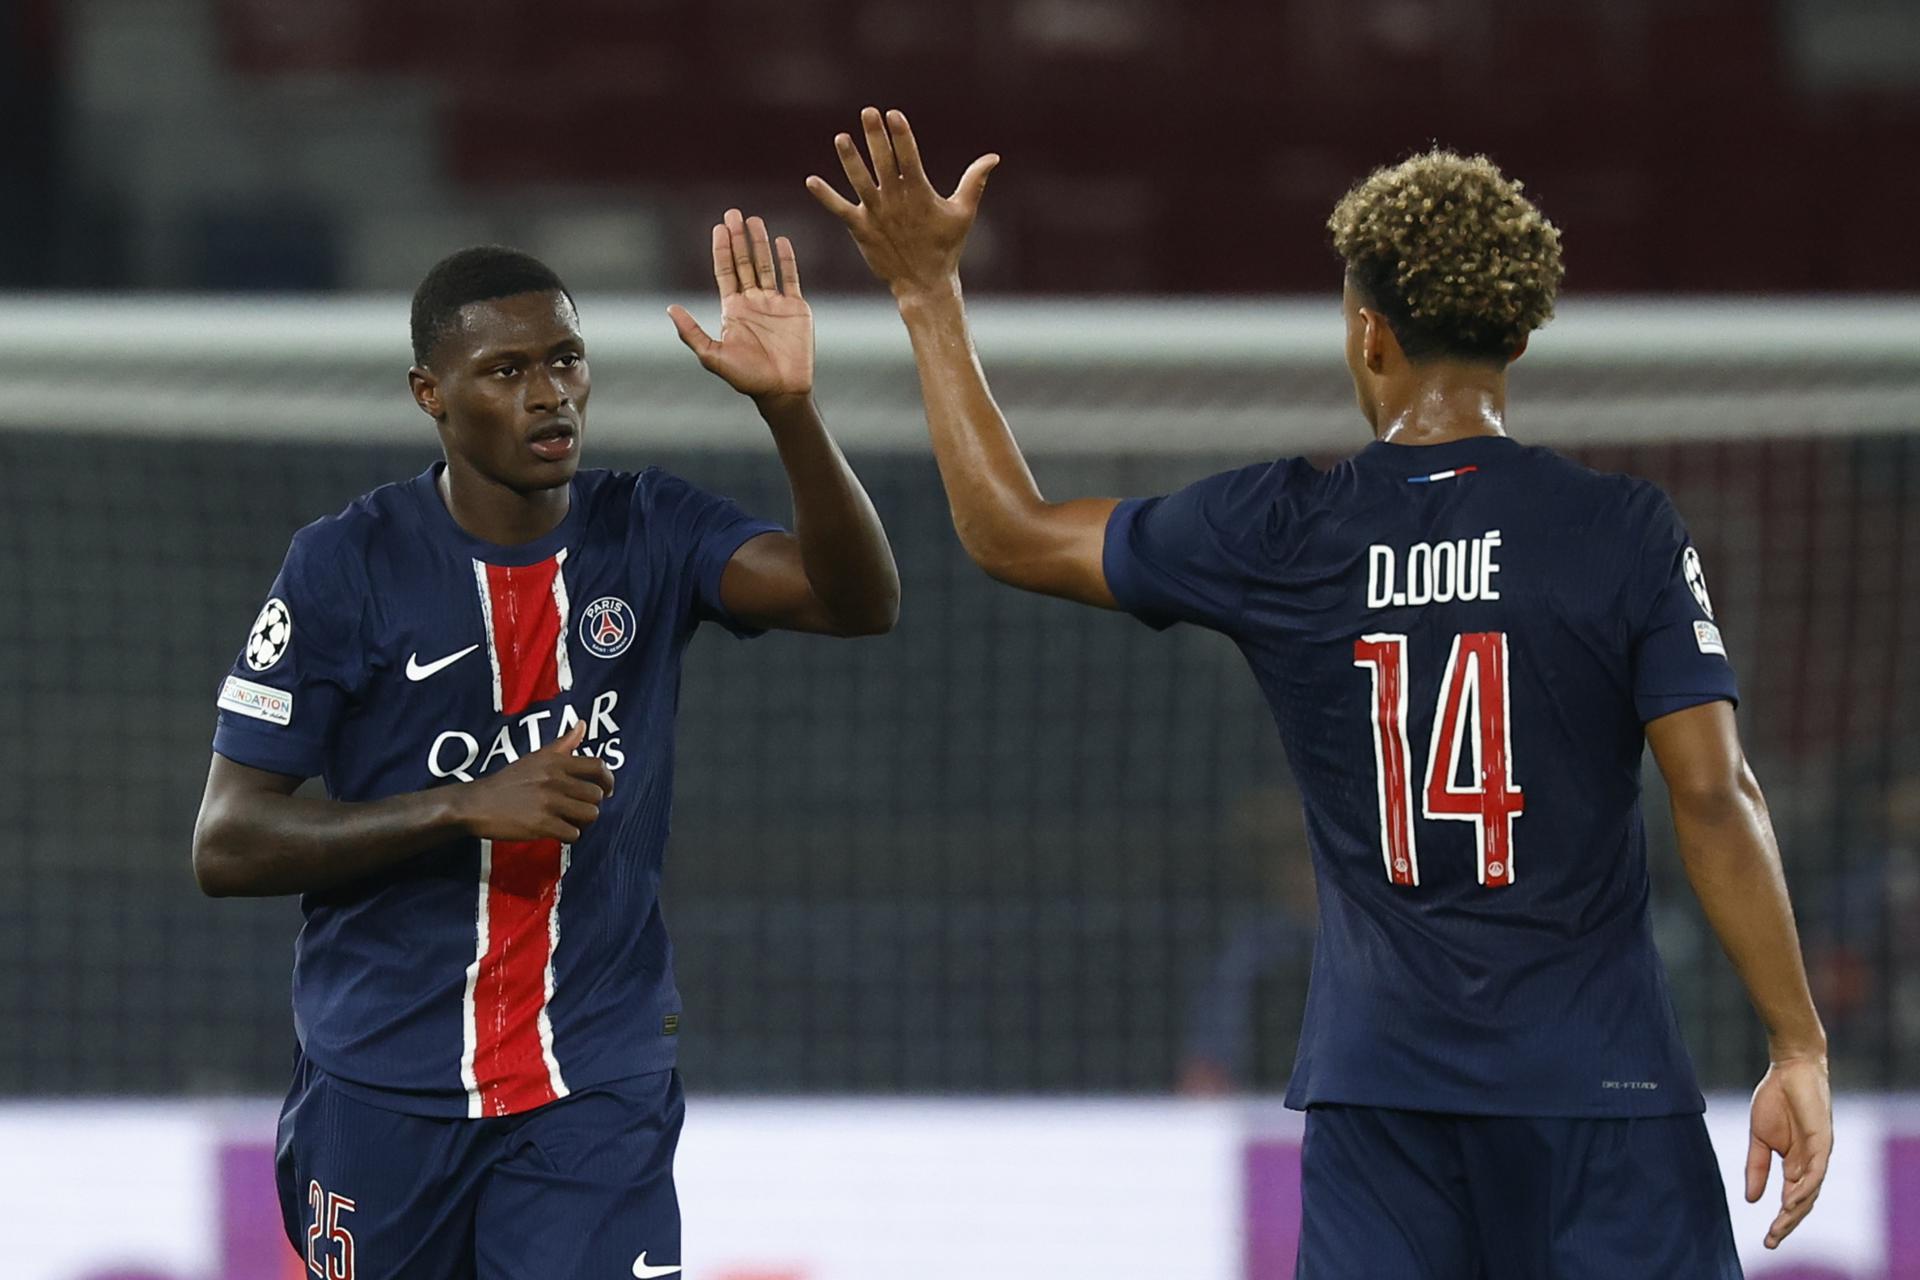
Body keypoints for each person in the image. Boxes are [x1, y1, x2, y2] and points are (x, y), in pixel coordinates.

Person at [809, 107, 1831, 1275]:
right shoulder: (1623, 531)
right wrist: (1795, 1043)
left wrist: (929, 297)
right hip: (1601, 1088)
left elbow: (1009, 532)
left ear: (1369, 334)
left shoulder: (1287, 529)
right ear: (1517, 334)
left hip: (1383, 1100)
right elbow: (1715, 793)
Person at [190, 214, 898, 1279]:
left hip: (592, 1079)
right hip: (383, 1082)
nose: (548, 392)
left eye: (564, 360)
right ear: (431, 393)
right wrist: (463, 803)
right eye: (505, 369)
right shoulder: (344, 564)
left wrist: (789, 409)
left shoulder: (650, 527)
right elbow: (228, 841)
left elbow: (859, 601)